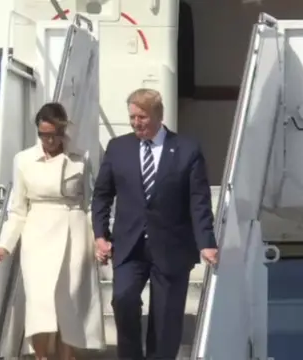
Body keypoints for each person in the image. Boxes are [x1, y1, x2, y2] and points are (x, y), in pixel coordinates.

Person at [91, 88, 219, 359]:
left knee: (165, 318)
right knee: (123, 300)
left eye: (142, 117)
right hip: (129, 245)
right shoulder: (119, 148)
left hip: (172, 246)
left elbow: (199, 200)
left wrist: (206, 242)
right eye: (132, 117)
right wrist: (100, 234)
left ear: (158, 115)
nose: (136, 122)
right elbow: (102, 194)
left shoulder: (187, 149)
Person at [0, 102, 105, 360]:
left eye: (54, 134)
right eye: (43, 134)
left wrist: (99, 239)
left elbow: (92, 203)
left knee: (70, 301)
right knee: (40, 301)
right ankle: (41, 356)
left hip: (75, 231)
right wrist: (3, 246)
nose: (49, 140)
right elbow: (18, 210)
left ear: (63, 131)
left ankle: (67, 355)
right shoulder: (24, 160)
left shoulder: (81, 157)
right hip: (37, 234)